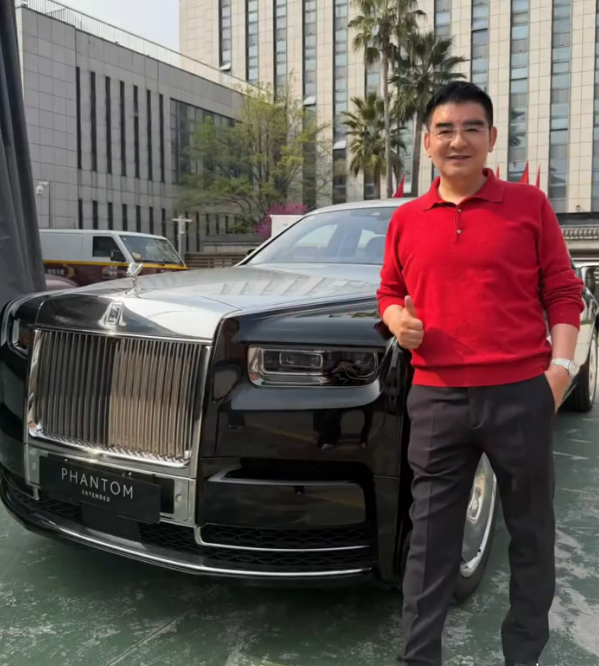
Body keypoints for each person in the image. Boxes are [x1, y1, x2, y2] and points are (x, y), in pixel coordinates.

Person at [376, 81, 584, 666]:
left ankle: (523, 656)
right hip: (436, 400)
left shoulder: (528, 206)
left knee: (531, 535)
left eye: (471, 128)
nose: (458, 140)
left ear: (491, 138)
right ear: (426, 142)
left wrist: (559, 371)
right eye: (444, 129)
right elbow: (389, 290)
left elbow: (563, 292)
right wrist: (397, 320)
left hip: (520, 395)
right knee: (428, 545)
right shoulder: (407, 219)